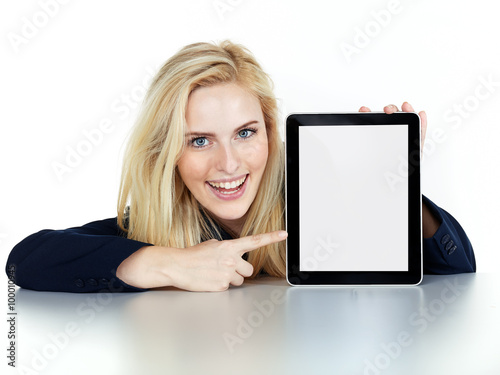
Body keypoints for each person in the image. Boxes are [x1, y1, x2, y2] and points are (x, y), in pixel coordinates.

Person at [5, 41, 476, 293]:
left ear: (272, 134)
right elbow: (25, 260)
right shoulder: (154, 225)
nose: (228, 163)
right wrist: (168, 264)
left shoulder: (321, 199)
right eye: (200, 140)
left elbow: (456, 266)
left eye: (246, 133)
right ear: (167, 152)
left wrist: (395, 184)